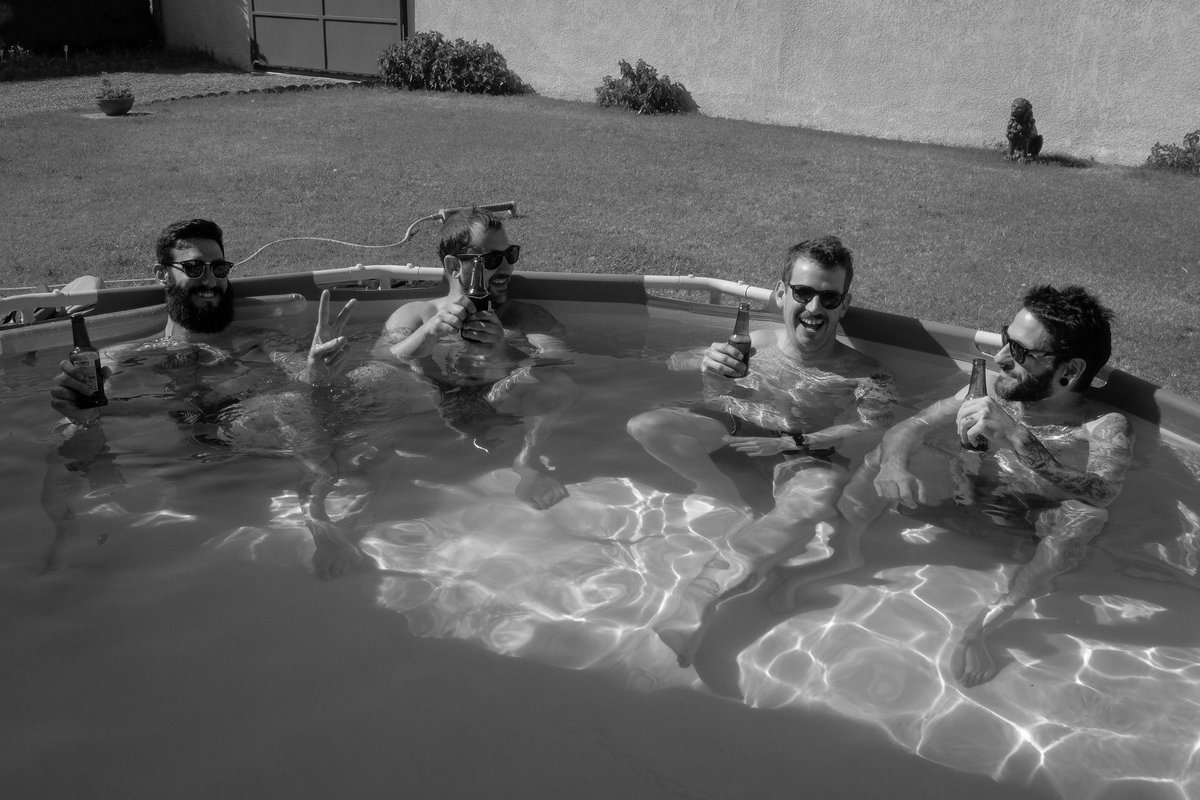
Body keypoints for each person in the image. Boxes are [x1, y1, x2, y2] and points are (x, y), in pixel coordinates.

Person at [791, 284, 1133, 688]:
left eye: (1019, 352)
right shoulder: (987, 392)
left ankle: (988, 622)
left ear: (1070, 371)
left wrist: (1018, 438)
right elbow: (910, 427)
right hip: (960, 501)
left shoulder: (1103, 427)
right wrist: (895, 467)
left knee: (1085, 517)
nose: (1000, 357)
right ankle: (845, 550)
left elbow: (1102, 492)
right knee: (886, 455)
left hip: (1021, 532)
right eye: (1006, 338)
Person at [626, 236, 896, 666]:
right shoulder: (755, 344)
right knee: (647, 425)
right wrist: (704, 362)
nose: (814, 308)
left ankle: (702, 594)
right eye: (803, 292)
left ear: (844, 304)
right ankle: (719, 489)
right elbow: (670, 360)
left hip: (806, 450)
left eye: (829, 297)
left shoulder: (866, 373)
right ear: (781, 292)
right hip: (738, 425)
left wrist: (792, 442)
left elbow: (873, 428)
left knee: (812, 502)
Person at [43, 218, 355, 573]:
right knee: (69, 428)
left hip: (251, 451)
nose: (210, 280)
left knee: (290, 402)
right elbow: (97, 406)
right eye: (194, 268)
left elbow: (302, 378)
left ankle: (318, 516)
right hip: (168, 468)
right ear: (162, 274)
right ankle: (65, 533)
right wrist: (85, 415)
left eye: (219, 268)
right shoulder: (125, 355)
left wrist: (316, 373)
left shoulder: (256, 342)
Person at [366, 207, 578, 510]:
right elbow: (380, 358)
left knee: (558, 384)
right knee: (386, 380)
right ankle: (380, 469)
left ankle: (527, 461)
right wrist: (428, 333)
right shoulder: (417, 314)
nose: (506, 267)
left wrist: (501, 350)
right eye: (491, 259)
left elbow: (559, 362)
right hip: (433, 406)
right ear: (454, 265)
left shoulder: (527, 317)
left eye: (510, 255)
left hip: (498, 402)